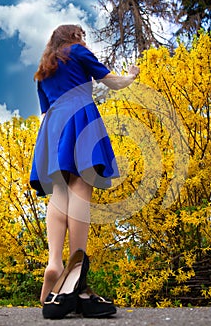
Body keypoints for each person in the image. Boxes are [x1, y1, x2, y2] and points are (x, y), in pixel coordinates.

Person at [30, 24, 140, 318]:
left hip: (52, 127)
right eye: (82, 36)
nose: (84, 40)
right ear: (73, 37)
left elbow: (44, 111)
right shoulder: (76, 52)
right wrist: (130, 75)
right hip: (80, 116)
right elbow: (111, 82)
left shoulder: (43, 71)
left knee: (60, 192)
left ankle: (54, 261)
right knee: (81, 186)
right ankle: (74, 269)